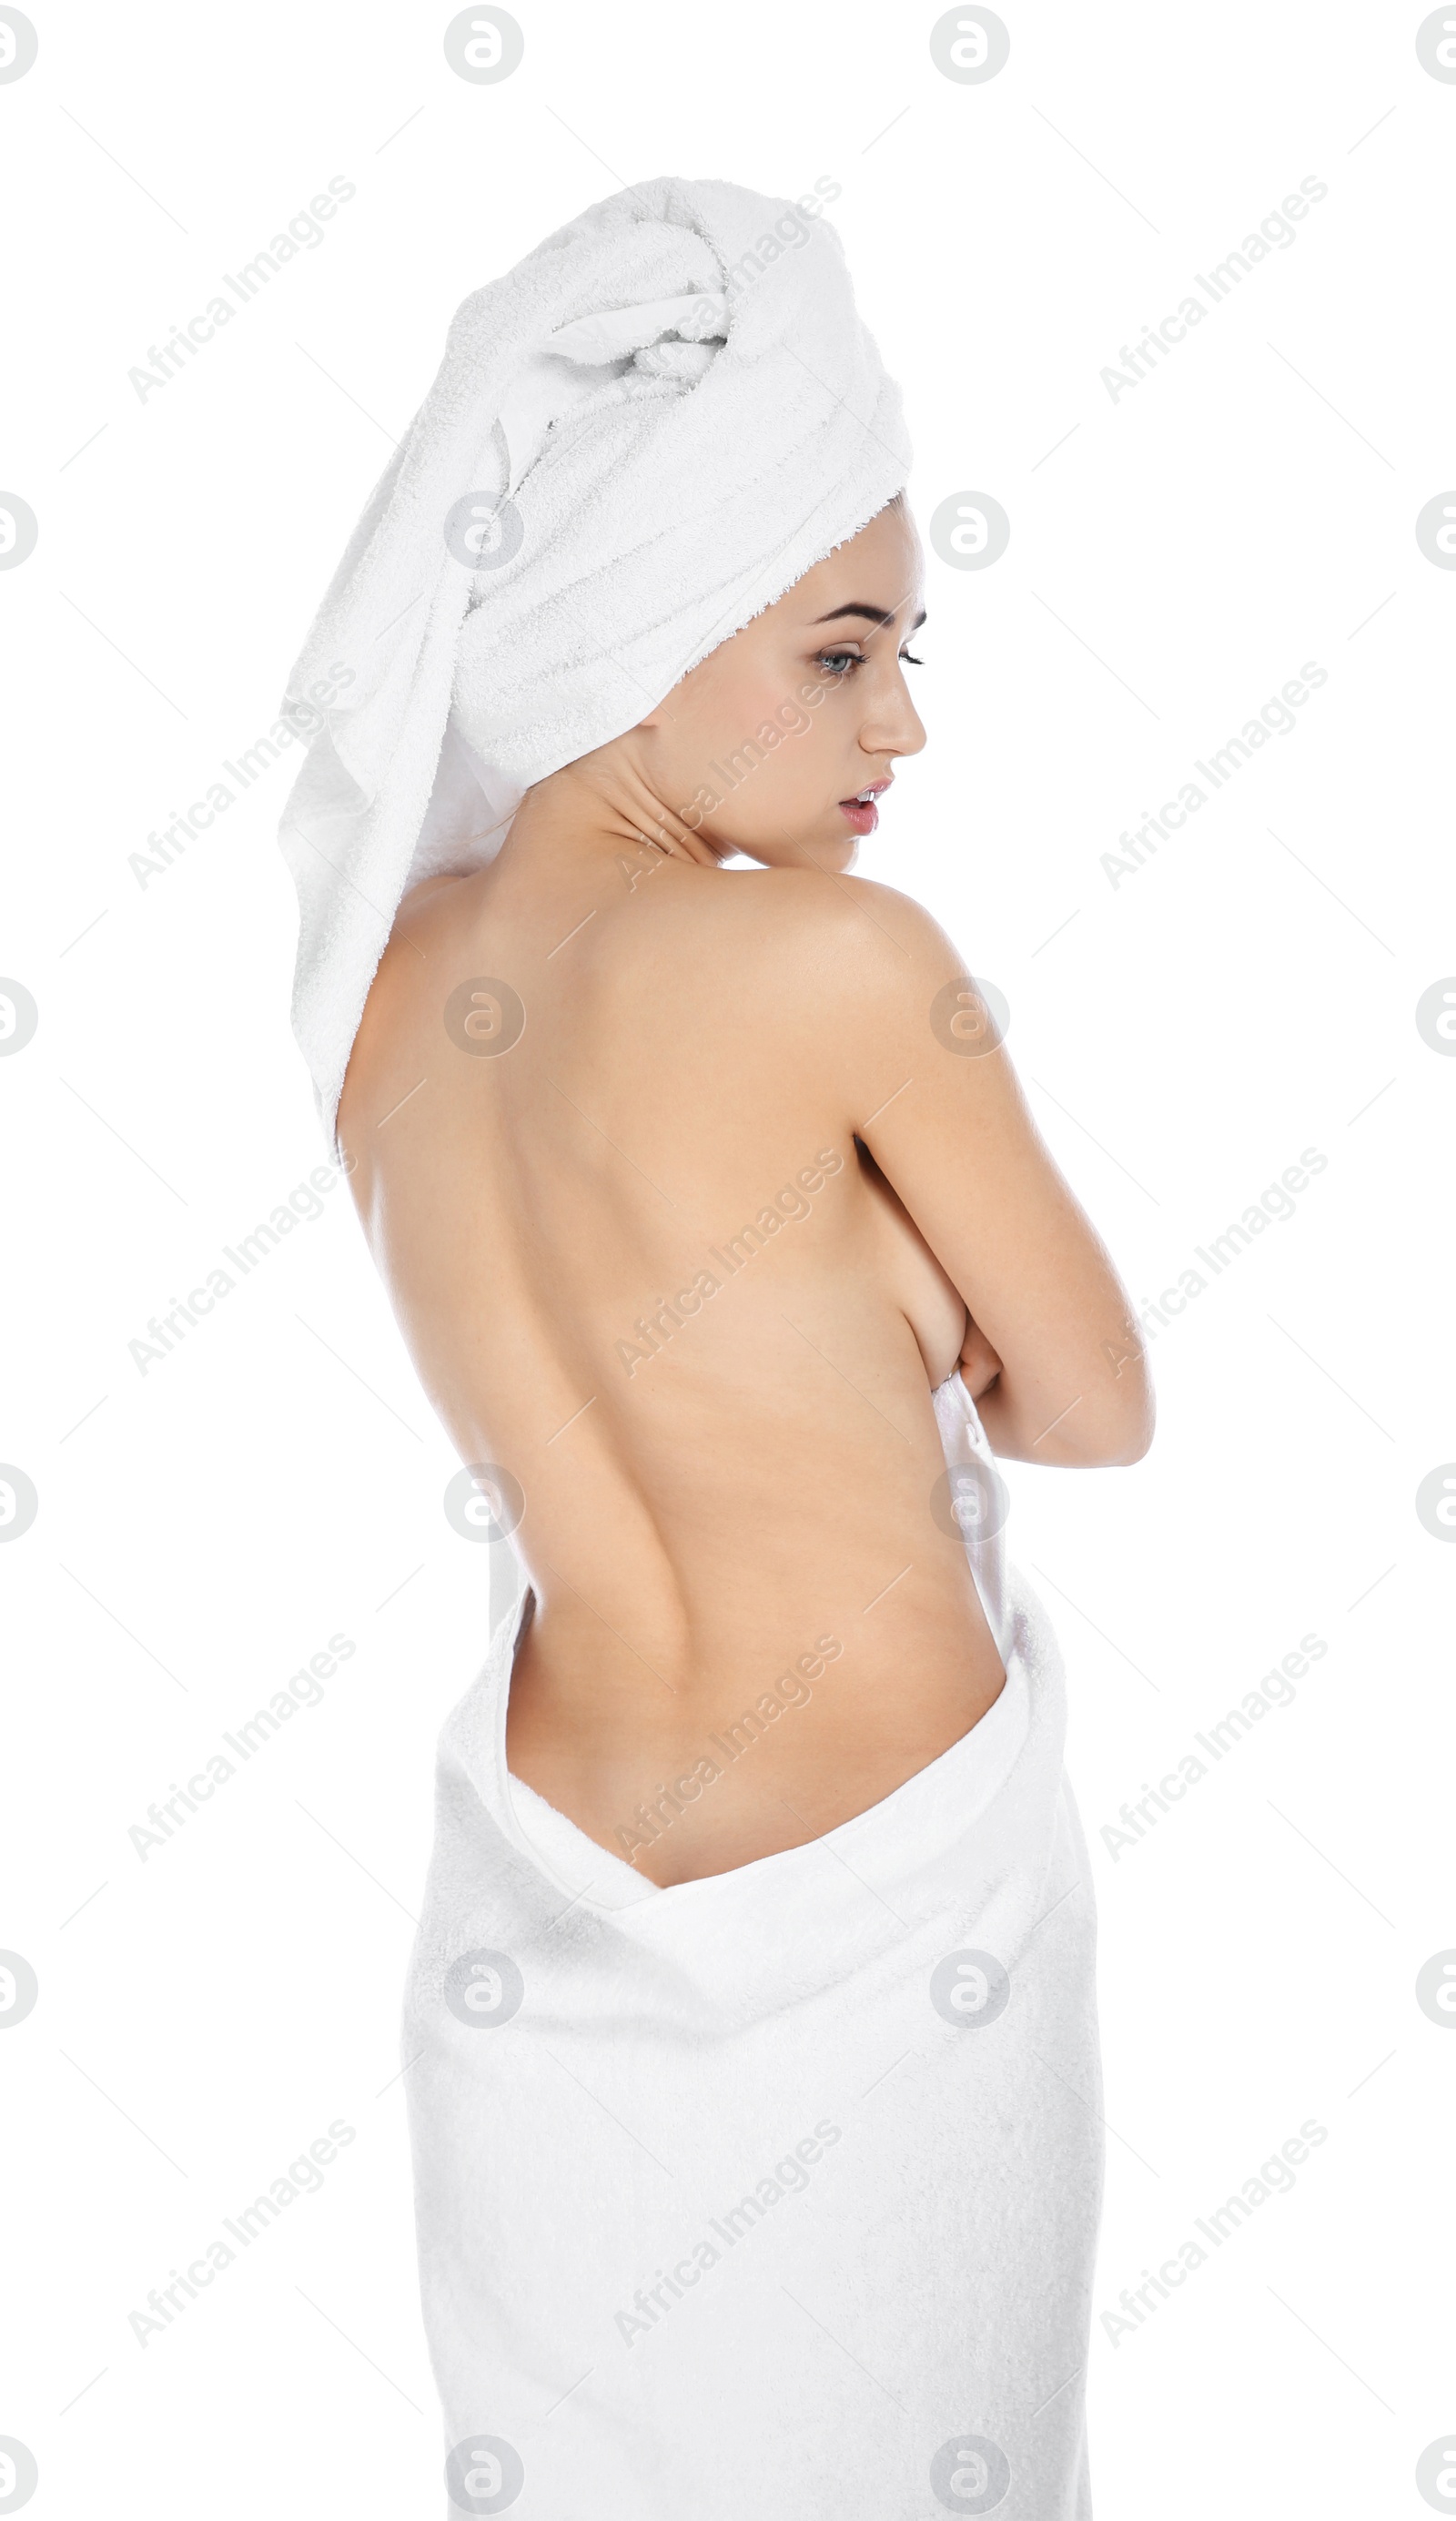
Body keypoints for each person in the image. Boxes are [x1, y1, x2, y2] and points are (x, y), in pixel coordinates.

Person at [280, 175, 1151, 2521]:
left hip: (540, 1898)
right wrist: (897, 1292)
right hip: (893, 1906)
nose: (907, 724)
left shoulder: (382, 1002)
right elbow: (1093, 1408)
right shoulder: (849, 974)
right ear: (643, 621)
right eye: (847, 647)